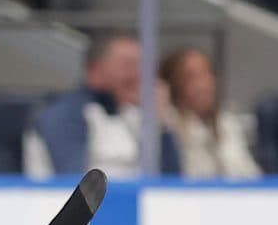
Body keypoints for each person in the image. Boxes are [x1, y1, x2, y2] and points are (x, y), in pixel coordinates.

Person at [24, 31, 181, 179]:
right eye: (128, 64)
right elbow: (72, 183)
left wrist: (161, 122)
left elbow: (170, 183)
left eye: (142, 65)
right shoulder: (65, 115)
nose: (138, 74)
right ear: (95, 70)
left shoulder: (135, 114)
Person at [157, 46, 260, 180]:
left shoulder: (227, 123)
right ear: (173, 84)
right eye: (190, 77)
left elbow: (252, 175)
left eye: (206, 74)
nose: (202, 84)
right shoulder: (167, 125)